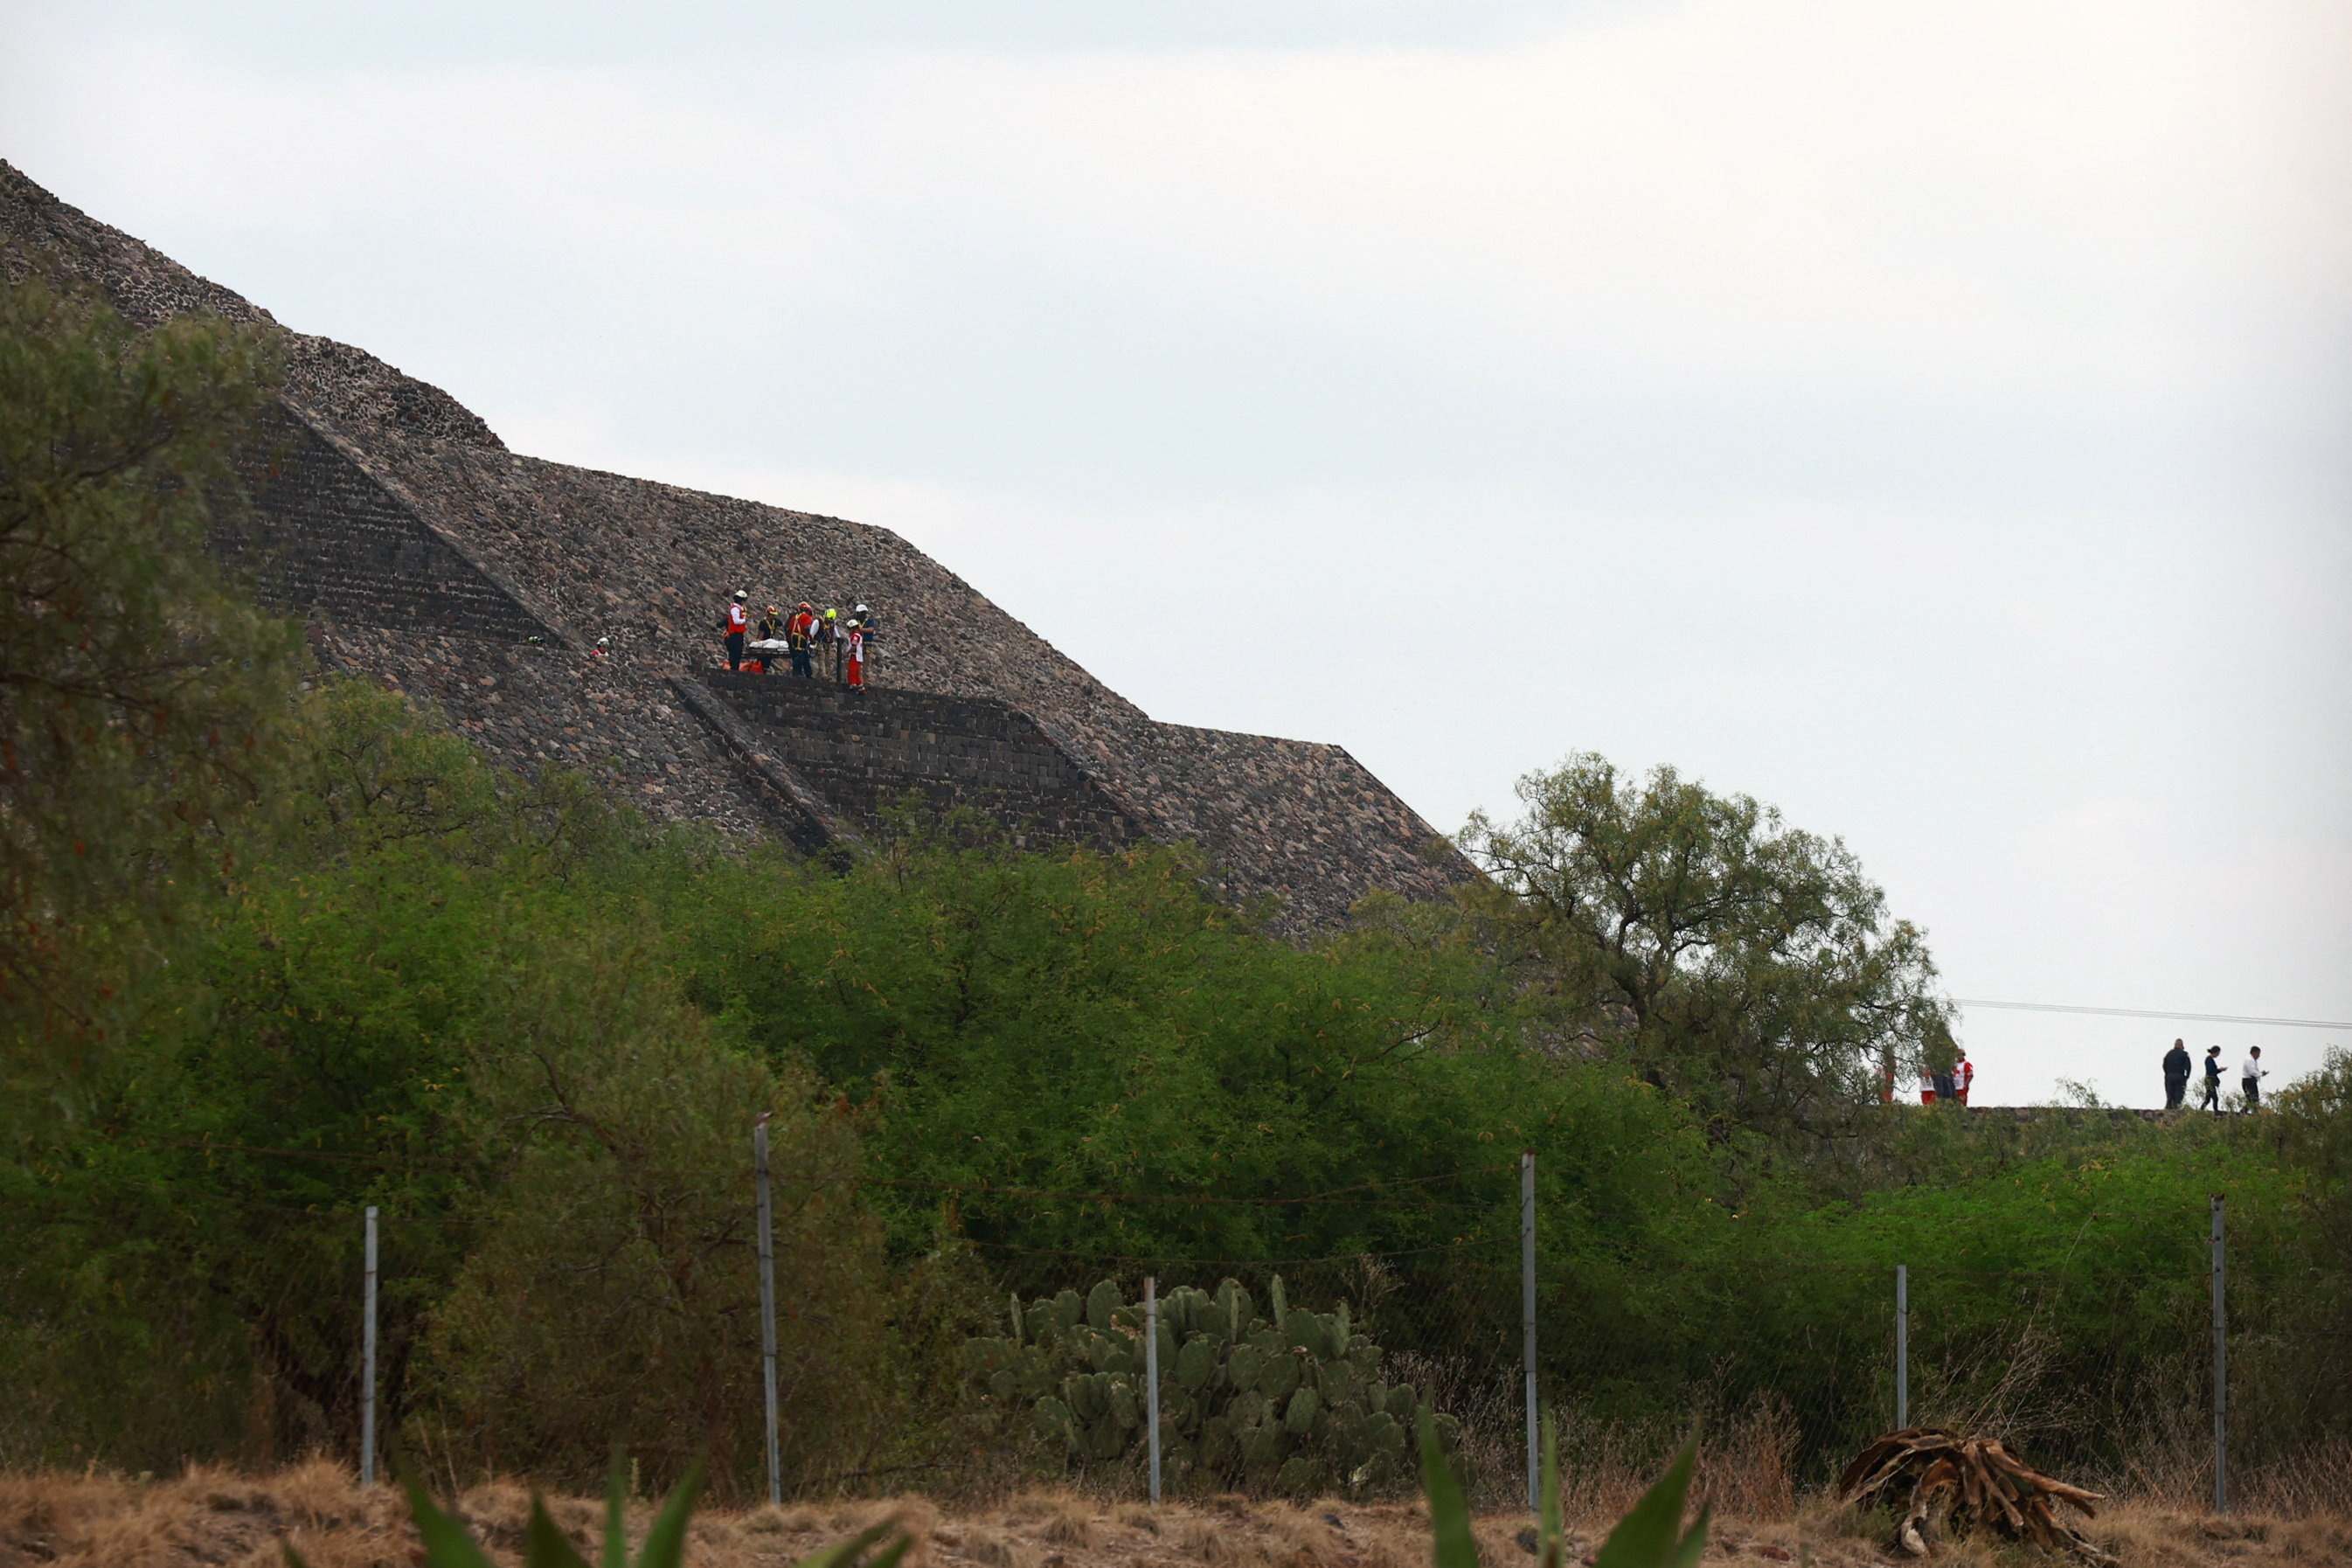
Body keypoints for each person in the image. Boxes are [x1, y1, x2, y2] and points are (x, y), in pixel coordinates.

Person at [787, 601, 817, 678]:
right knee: (800, 655)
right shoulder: (806, 617)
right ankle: (798, 673)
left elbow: (789, 629)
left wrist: (789, 641)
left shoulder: (794, 618)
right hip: (801, 638)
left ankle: (808, 673)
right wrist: (812, 638)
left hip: (793, 638)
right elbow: (808, 629)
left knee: (803, 655)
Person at [721, 590, 750, 671]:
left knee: (738, 653)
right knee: (735, 652)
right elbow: (736, 621)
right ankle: (734, 668)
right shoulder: (735, 609)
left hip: (738, 634)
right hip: (734, 634)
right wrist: (745, 620)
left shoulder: (738, 609)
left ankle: (735, 668)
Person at [2162, 1038, 2192, 1110]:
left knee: (2170, 1094)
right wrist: (2187, 1076)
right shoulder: (2184, 1054)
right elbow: (2188, 1066)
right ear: (2181, 1046)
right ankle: (2176, 1108)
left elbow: (2164, 1065)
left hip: (2170, 1076)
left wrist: (2167, 1074)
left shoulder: (2169, 1054)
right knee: (2178, 1095)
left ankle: (2169, 1107)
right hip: (2180, 1077)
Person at [2240, 1046, 2268, 1111]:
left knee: (2251, 1099)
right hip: (2248, 1081)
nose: (2259, 1056)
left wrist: (2260, 1073)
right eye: (2258, 1053)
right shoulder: (2249, 1060)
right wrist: (2261, 1074)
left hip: (2250, 1080)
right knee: (2253, 1098)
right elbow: (2252, 1072)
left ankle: (2245, 1112)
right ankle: (2253, 1113)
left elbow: (2253, 1071)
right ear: (2254, 1052)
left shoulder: (2251, 1060)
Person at [2199, 1045, 2224, 1112]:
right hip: (2209, 1081)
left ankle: (2201, 1110)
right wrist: (2219, 1070)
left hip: (2209, 1080)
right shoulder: (2209, 1059)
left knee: (2208, 1099)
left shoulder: (2209, 1059)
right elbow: (2211, 1071)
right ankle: (2216, 1112)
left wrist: (2220, 1070)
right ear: (2216, 1052)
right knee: (2215, 1098)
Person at [844, 616, 866, 689]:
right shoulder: (858, 635)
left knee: (852, 670)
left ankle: (853, 683)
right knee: (856, 672)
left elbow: (854, 646)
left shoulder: (855, 636)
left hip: (855, 656)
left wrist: (846, 654)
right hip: (858, 656)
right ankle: (860, 685)